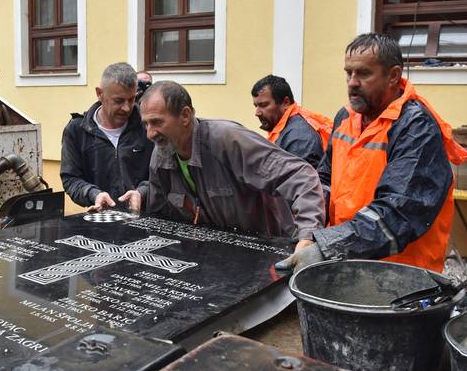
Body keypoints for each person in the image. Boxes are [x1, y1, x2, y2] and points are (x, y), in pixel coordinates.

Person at [277, 33, 467, 274]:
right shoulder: (345, 117)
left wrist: (326, 248)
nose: (352, 82)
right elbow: (324, 180)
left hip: (400, 277)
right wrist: (308, 229)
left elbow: (398, 212)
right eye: (349, 73)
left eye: (364, 73)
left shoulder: (416, 127)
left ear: (393, 76)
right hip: (348, 264)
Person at [141, 81, 324, 252]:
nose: (150, 133)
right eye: (146, 124)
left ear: (185, 116)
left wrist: (307, 236)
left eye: (157, 122)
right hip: (218, 260)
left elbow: (301, 176)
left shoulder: (228, 140)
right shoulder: (160, 155)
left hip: (268, 255)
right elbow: (159, 219)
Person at [61, 62, 154, 213]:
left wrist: (142, 193)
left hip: (144, 222)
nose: (126, 108)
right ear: (99, 93)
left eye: (131, 99)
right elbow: (71, 179)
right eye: (118, 101)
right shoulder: (77, 130)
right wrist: (93, 194)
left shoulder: (148, 125)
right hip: (101, 223)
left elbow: (165, 175)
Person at [251, 74, 332, 166]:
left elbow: (302, 179)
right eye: (256, 106)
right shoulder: (287, 128)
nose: (257, 113)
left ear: (286, 103)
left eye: (264, 105)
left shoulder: (299, 138)